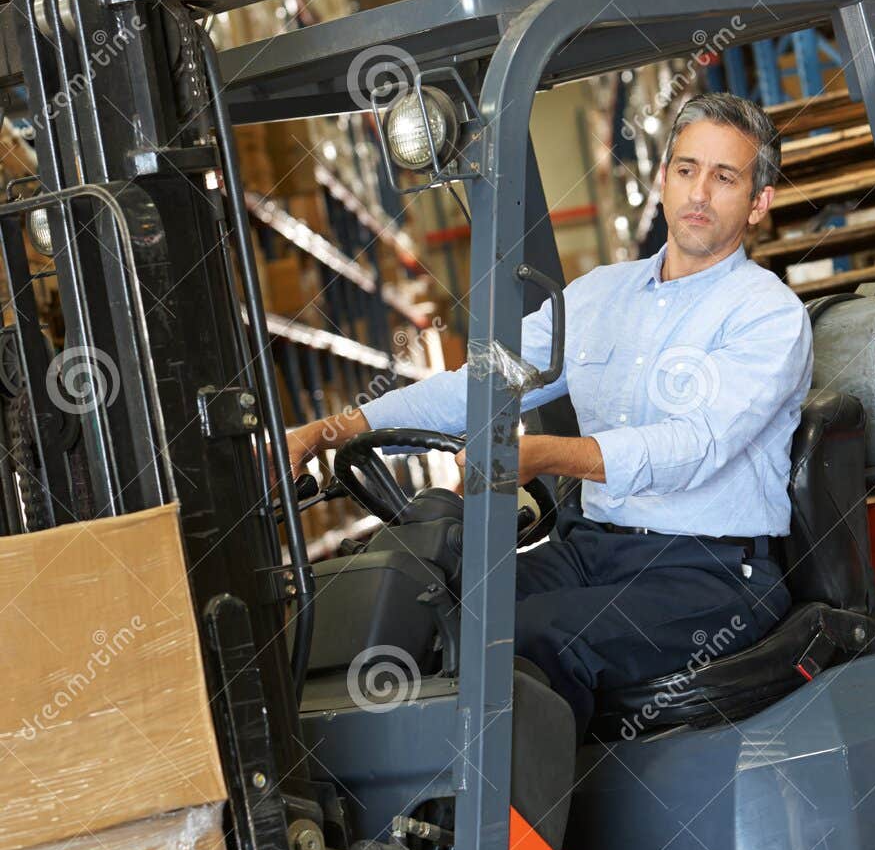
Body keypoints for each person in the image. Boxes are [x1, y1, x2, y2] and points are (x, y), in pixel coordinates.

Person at [287, 92, 813, 738]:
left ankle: (513, 804)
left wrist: (546, 456)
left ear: (758, 202)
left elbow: (692, 447)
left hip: (710, 574)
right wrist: (332, 431)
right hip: (593, 550)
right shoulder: (596, 297)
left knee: (528, 639)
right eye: (686, 169)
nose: (698, 192)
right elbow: (482, 384)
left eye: (724, 177)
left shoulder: (768, 315)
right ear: (663, 177)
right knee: (429, 603)